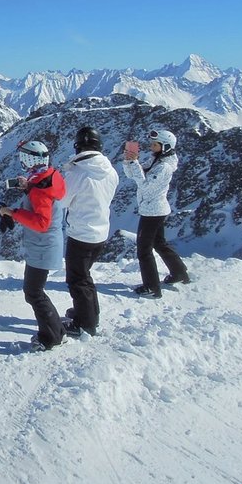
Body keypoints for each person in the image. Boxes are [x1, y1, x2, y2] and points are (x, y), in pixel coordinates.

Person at [0, 140, 67, 351]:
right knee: (35, 290)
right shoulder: (50, 176)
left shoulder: (40, 189)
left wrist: (13, 213)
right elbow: (44, 197)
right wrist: (29, 187)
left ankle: (51, 337)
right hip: (46, 244)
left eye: (23, 158)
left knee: (33, 292)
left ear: (29, 159)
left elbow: (41, 222)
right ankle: (57, 331)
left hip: (42, 246)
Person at [57, 126, 119, 337]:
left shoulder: (78, 172)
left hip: (81, 233)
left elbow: (63, 200)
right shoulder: (111, 170)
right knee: (85, 276)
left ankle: (85, 324)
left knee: (77, 279)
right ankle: (90, 313)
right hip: (101, 232)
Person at [122, 128, 191, 298]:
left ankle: (152, 287)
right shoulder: (156, 161)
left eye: (155, 144)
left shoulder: (164, 168)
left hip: (152, 211)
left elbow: (145, 186)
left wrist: (136, 164)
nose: (151, 147)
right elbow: (133, 176)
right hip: (154, 209)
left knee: (144, 250)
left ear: (166, 146)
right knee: (159, 243)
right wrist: (129, 161)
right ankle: (179, 272)